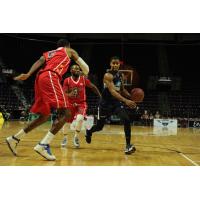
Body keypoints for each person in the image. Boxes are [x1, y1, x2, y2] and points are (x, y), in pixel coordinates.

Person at [6, 39, 90, 161]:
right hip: (51, 76)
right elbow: (86, 69)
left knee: (44, 116)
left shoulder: (50, 52)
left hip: (40, 78)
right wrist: (83, 72)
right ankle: (43, 145)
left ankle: (14, 138)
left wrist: (29, 73)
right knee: (66, 113)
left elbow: (40, 61)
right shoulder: (69, 50)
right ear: (67, 46)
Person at [85, 56, 136, 154]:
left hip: (116, 103)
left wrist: (131, 97)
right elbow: (113, 91)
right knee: (99, 127)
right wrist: (126, 101)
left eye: (117, 63)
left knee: (126, 119)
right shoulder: (107, 75)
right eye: (114, 63)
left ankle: (128, 146)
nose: (115, 65)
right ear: (110, 64)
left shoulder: (120, 75)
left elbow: (122, 90)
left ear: (119, 64)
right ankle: (89, 132)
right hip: (105, 104)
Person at [61, 64, 101, 148]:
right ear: (71, 71)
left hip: (81, 104)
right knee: (66, 122)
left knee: (80, 119)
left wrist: (100, 96)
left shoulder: (83, 79)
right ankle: (65, 138)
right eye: (75, 69)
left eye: (78, 69)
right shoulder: (67, 80)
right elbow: (63, 93)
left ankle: (76, 137)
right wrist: (69, 94)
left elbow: (93, 87)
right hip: (70, 104)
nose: (77, 70)